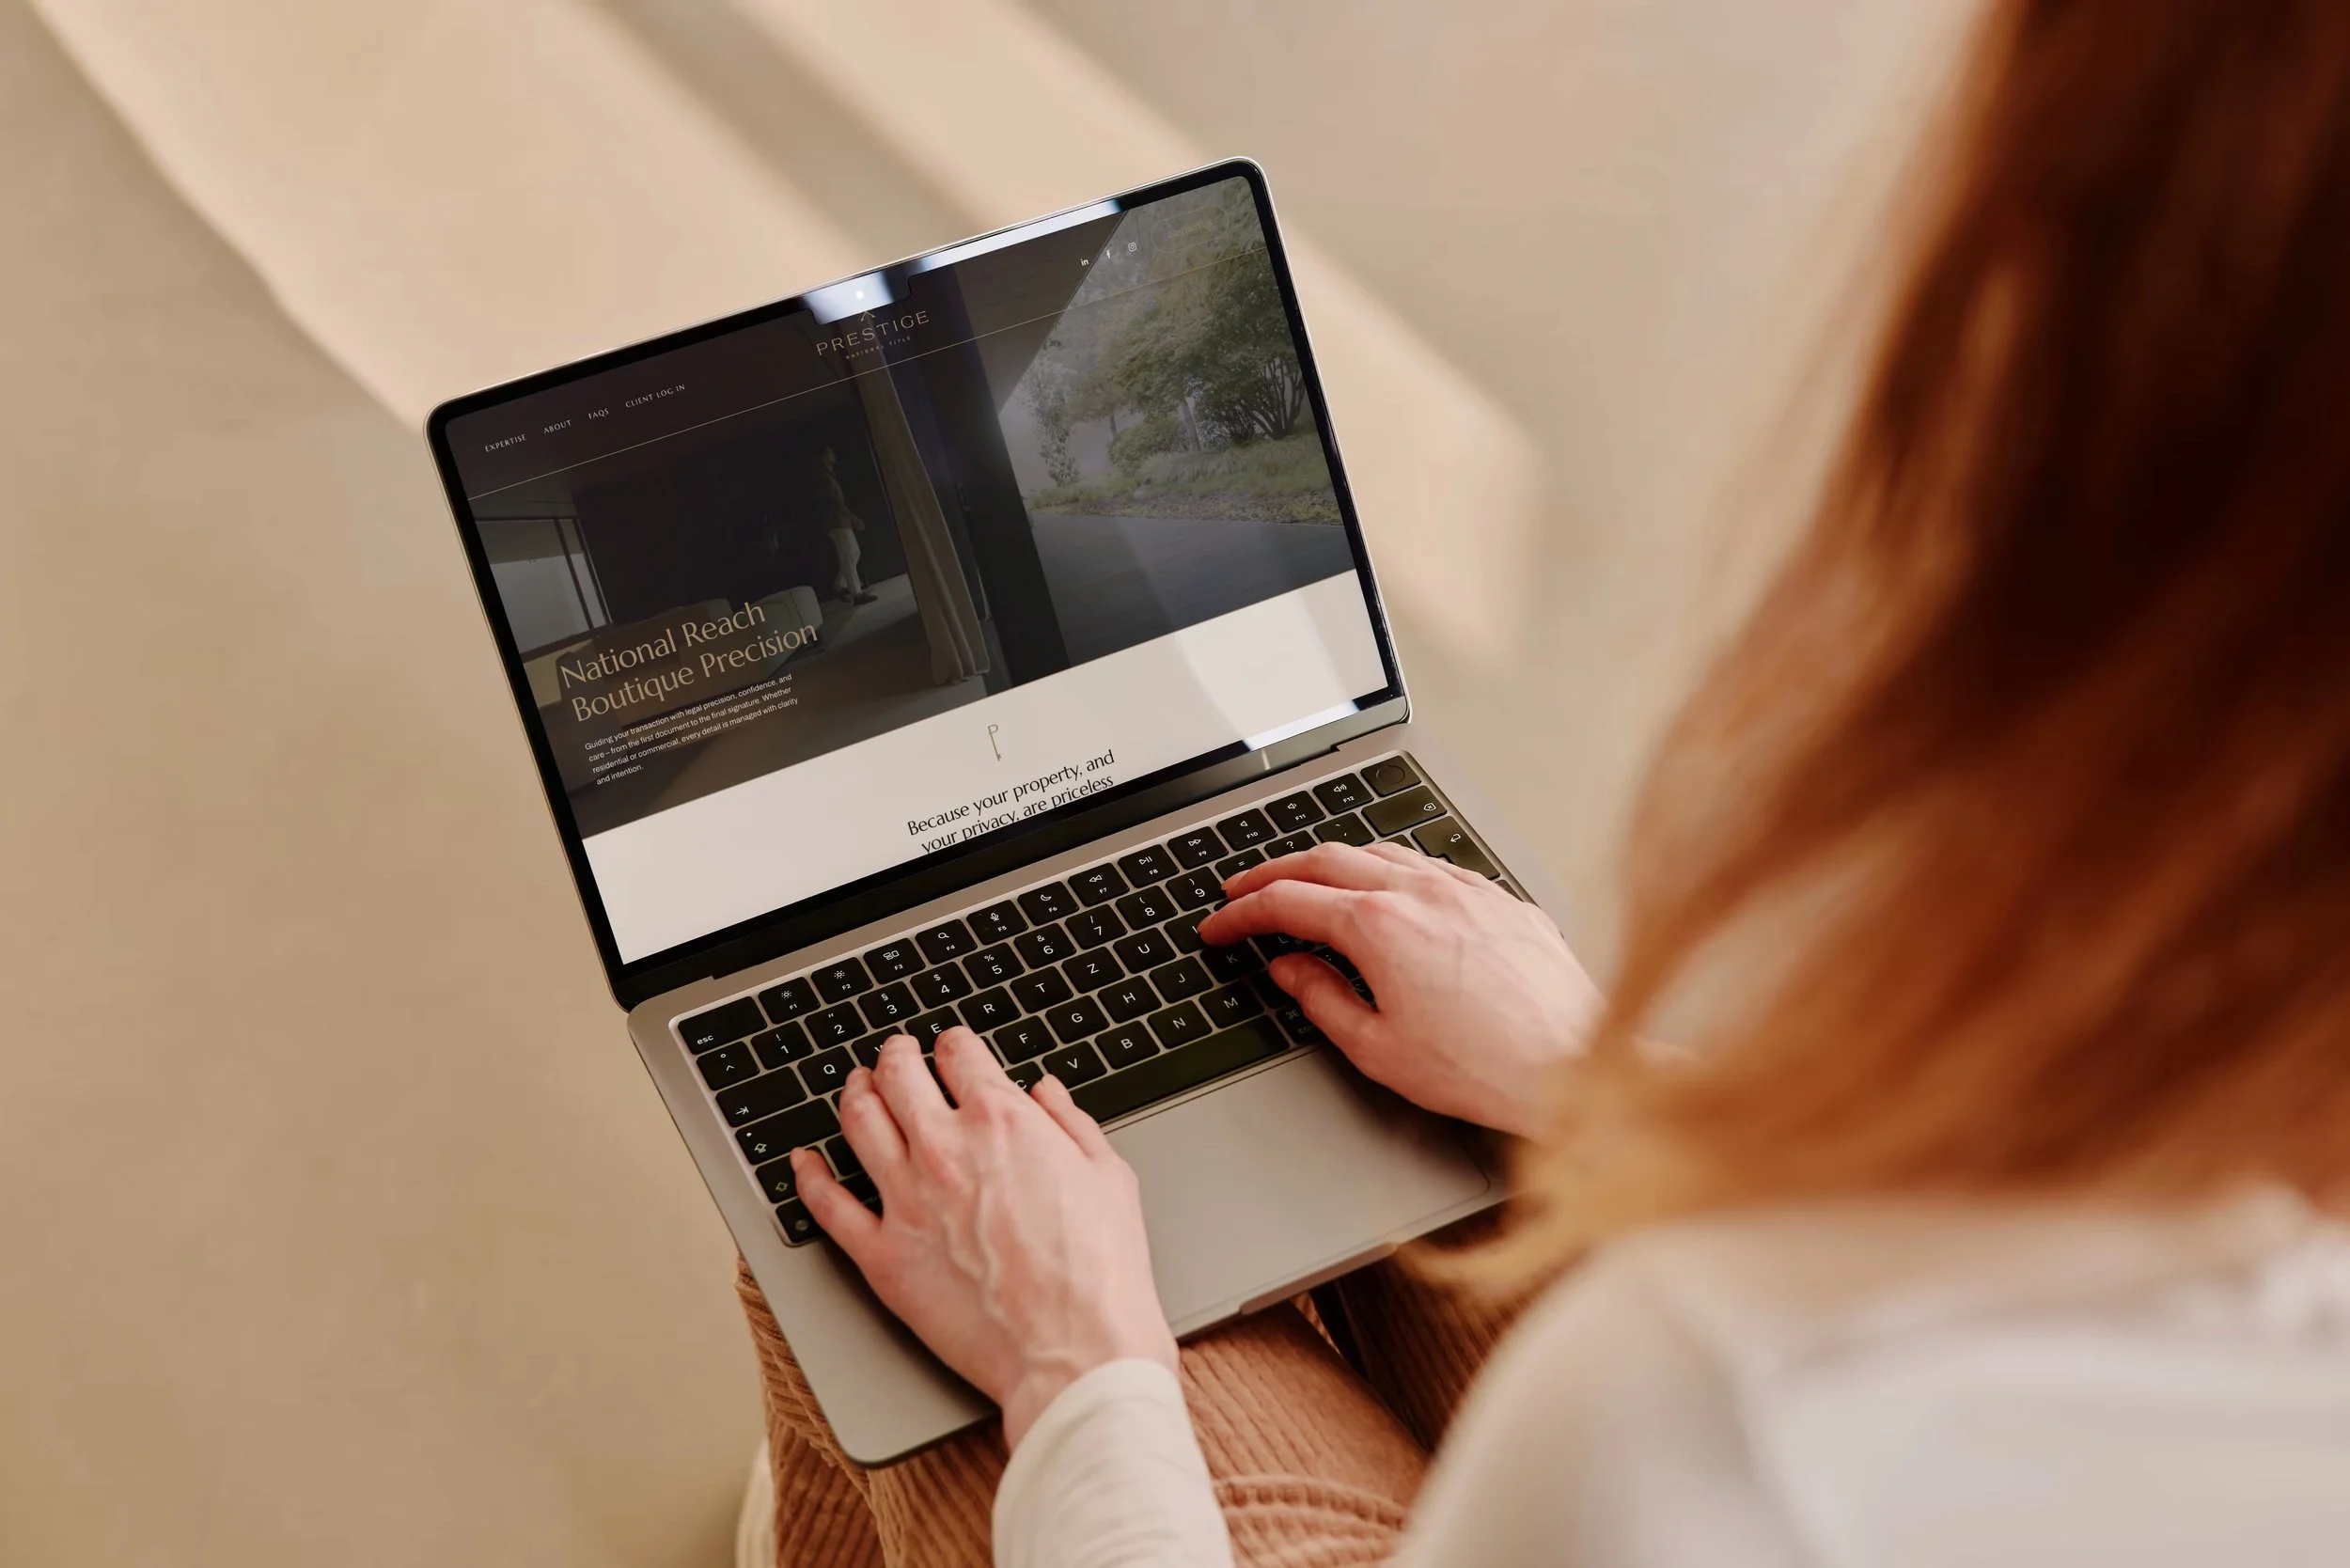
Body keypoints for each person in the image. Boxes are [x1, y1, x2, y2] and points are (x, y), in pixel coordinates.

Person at [739, 2, 2350, 1562]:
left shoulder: (1719, 1417)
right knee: (1374, 1116)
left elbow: (1757, 1426)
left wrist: (1076, 1376)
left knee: (882, 1185)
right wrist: (1594, 1082)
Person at [821, 444, 878, 606]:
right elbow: (836, 503)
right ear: (822, 457)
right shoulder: (824, 479)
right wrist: (854, 518)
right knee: (849, 557)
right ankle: (856, 594)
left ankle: (839, 586)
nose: (833, 455)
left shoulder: (829, 477)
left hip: (840, 521)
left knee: (853, 553)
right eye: (829, 452)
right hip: (836, 522)